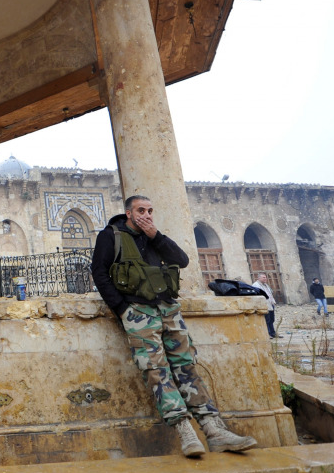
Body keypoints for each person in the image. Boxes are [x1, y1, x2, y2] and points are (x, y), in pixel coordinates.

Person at [91, 195, 258, 458]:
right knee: (156, 371)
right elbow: (99, 273)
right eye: (140, 210)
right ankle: (185, 432)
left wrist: (155, 234)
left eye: (149, 210)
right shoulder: (111, 236)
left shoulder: (154, 236)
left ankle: (214, 430)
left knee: (186, 366)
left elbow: (181, 260)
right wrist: (122, 310)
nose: (146, 214)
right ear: (128, 213)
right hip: (138, 311)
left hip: (168, 309)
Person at [251, 273, 279, 338]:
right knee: (267, 320)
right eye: (263, 277)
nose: (265, 278)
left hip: (270, 304)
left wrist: (273, 302)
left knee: (272, 319)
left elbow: (270, 294)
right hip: (264, 304)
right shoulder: (256, 285)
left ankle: (273, 333)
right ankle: (267, 334)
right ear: (259, 278)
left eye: (265, 277)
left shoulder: (266, 285)